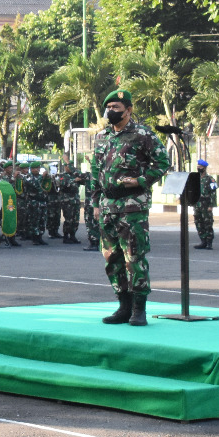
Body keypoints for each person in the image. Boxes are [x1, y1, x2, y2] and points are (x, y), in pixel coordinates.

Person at [90, 89, 169, 327]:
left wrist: (140, 181)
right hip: (107, 206)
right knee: (112, 259)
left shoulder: (143, 134)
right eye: (109, 107)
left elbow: (162, 163)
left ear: (129, 110)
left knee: (134, 257)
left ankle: (138, 309)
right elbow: (95, 170)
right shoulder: (102, 136)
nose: (111, 111)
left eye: (116, 107)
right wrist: (95, 202)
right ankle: (123, 305)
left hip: (132, 207)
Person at [192, 159, 216, 250]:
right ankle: (203, 241)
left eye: (200, 167)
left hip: (206, 204)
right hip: (197, 204)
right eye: (198, 167)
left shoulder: (210, 179)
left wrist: (211, 205)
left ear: (204, 168)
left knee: (208, 223)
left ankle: (209, 242)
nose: (199, 168)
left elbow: (213, 193)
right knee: (198, 222)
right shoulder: (195, 178)